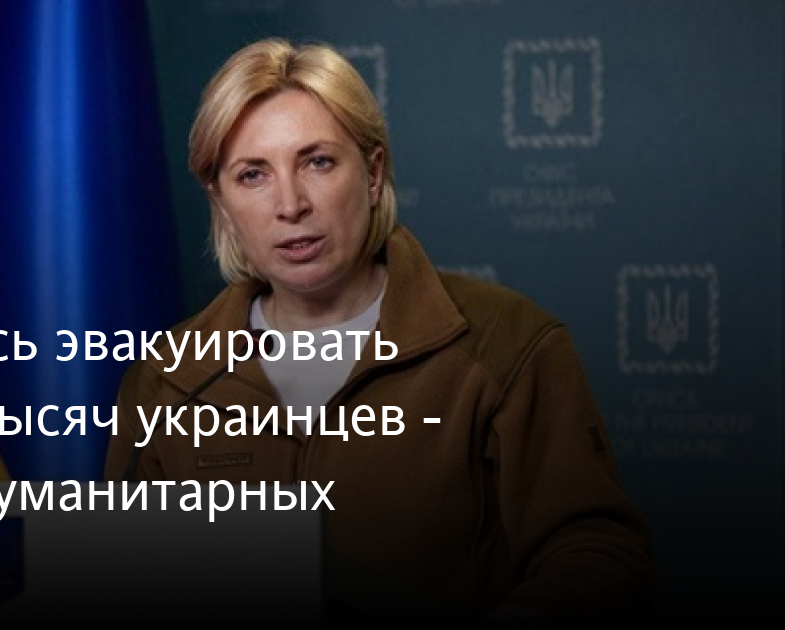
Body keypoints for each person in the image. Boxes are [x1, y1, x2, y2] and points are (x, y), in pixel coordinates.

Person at [102, 38, 653, 623]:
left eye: (317, 162)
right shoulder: (166, 378)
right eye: (253, 174)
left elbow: (599, 556)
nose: (290, 204)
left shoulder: (507, 344)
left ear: (372, 172)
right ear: (221, 201)